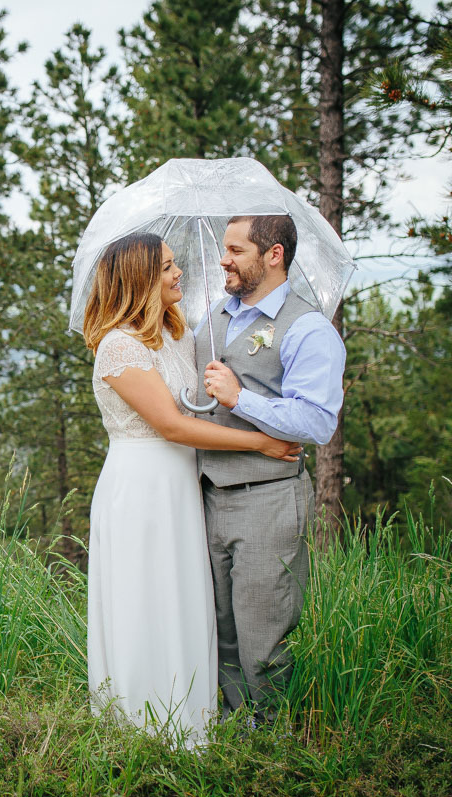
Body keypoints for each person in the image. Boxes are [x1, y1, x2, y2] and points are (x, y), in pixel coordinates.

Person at [84, 231, 302, 746]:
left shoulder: (176, 335)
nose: (177, 272)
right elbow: (173, 427)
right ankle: (144, 724)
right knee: (147, 599)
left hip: (182, 485)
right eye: (164, 268)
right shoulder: (118, 347)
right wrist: (262, 444)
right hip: (142, 489)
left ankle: (193, 716)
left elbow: (197, 405)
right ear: (138, 279)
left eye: (175, 263)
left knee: (186, 597)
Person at [196, 214, 346, 724]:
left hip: (268, 497)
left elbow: (317, 420)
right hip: (204, 494)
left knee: (263, 630)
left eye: (237, 250)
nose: (224, 259)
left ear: (273, 254)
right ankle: (236, 732)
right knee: (219, 627)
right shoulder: (214, 317)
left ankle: (274, 744)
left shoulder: (308, 328)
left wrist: (241, 399)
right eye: (224, 249)